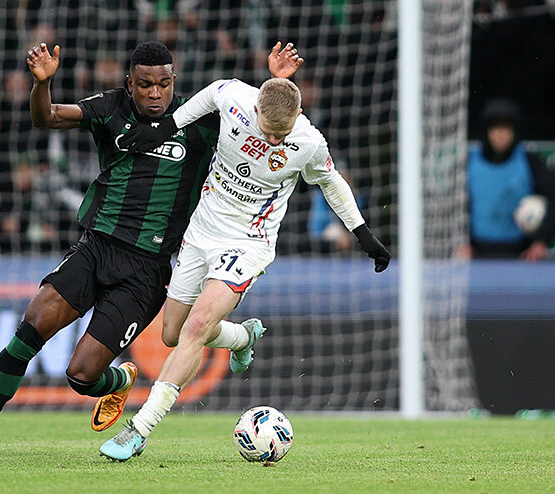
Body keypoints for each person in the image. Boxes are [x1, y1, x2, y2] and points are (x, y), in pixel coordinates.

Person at [0, 40, 303, 459]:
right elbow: (46, 117)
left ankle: (119, 380)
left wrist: (276, 83)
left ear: (173, 81)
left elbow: (261, 122)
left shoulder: (200, 120)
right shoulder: (110, 108)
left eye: (163, 84)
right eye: (145, 85)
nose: (155, 93)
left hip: (145, 272)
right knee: (31, 327)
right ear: (130, 83)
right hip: (96, 246)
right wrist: (42, 84)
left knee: (81, 375)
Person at [100, 76, 390, 461]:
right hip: (202, 231)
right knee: (172, 334)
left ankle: (138, 429)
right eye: (268, 131)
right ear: (255, 110)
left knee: (197, 327)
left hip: (249, 243)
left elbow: (331, 182)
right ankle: (241, 337)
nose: (272, 141)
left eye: (281, 134)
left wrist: (363, 234)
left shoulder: (308, 141)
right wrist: (164, 128)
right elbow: (206, 97)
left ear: (299, 115)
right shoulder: (234, 97)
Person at [457, 98, 555, 261]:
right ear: (487, 131)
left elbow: (553, 196)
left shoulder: (529, 160)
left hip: (521, 254)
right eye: (495, 128)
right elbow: (453, 205)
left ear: (514, 131)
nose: (500, 134)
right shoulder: (468, 162)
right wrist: (460, 242)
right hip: (477, 254)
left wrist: (540, 241)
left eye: (506, 128)